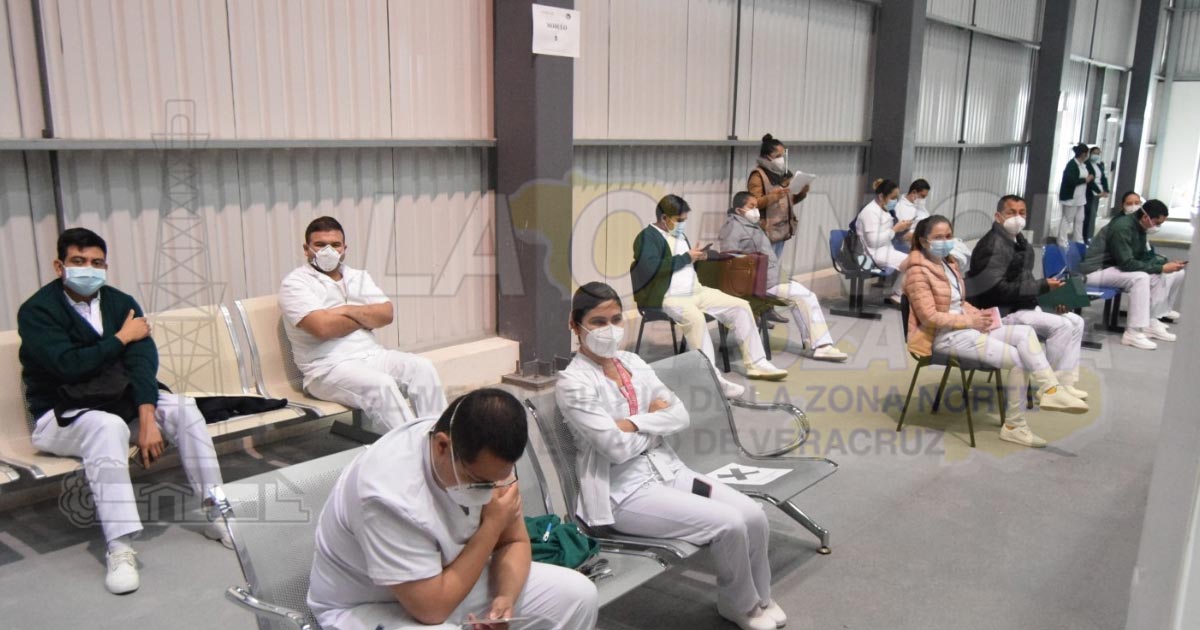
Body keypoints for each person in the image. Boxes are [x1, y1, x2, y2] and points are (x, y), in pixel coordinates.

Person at [557, 282, 784, 630]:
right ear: (575, 325)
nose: (609, 329)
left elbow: (679, 414)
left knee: (754, 515)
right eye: (598, 322)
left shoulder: (632, 362)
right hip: (625, 493)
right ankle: (740, 604)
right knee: (728, 524)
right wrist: (654, 421)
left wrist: (632, 424)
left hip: (669, 471)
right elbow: (615, 448)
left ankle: (761, 597)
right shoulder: (573, 384)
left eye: (615, 319)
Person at [17, 228, 227, 595]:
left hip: (119, 402)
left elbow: (142, 364)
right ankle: (120, 546)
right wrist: (121, 338)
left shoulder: (120, 303)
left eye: (97, 263)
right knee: (107, 427)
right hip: (60, 415)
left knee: (183, 408)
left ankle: (218, 512)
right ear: (59, 266)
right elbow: (67, 366)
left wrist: (147, 419)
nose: (88, 269)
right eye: (78, 261)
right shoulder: (37, 311)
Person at [307, 388, 599, 630]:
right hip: (370, 605)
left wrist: (504, 599)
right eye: (479, 481)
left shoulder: (487, 458)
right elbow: (432, 610)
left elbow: (514, 541)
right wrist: (491, 526)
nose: (491, 489)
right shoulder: (387, 495)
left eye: (497, 479)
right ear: (442, 447)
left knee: (577, 595)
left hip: (449, 580)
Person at [902, 216, 1088, 448]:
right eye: (938, 237)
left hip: (965, 328)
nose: (945, 241)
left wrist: (980, 316)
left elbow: (958, 303)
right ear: (923, 241)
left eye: (948, 236)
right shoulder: (917, 272)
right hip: (942, 337)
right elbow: (929, 317)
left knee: (1024, 334)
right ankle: (1014, 426)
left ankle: (1050, 389)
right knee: (1019, 360)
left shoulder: (948, 264)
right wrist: (970, 320)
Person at [278, 216, 446, 432]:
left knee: (422, 368)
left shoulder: (358, 277)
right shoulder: (295, 284)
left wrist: (346, 310)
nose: (328, 251)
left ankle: (440, 438)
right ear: (306, 249)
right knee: (381, 385)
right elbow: (323, 328)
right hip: (327, 368)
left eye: (335, 245)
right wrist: (365, 317)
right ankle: (411, 446)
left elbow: (386, 314)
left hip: (373, 355)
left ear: (344, 248)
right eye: (320, 245)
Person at [630, 194, 788, 398]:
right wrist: (686, 257)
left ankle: (757, 363)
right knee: (696, 320)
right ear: (664, 218)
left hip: (696, 291)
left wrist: (700, 257)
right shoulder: (646, 238)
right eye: (679, 220)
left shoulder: (678, 235)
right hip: (669, 297)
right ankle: (711, 378)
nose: (683, 224)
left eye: (685, 220)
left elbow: (683, 262)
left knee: (740, 306)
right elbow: (649, 268)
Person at [965, 195, 1089, 400]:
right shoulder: (991, 246)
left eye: (1022, 213)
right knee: (1062, 326)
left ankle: (1065, 382)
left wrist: (1051, 298)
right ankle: (1050, 387)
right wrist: (1042, 286)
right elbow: (997, 291)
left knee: (1076, 322)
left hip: (1021, 305)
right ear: (998, 216)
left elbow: (1024, 283)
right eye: (1011, 212)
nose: (1018, 217)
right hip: (1001, 311)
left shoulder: (1019, 242)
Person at [719, 191, 848, 361]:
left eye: (756, 206)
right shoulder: (733, 227)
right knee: (805, 297)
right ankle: (822, 346)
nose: (756, 210)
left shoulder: (750, 225)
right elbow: (729, 258)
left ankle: (812, 341)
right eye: (751, 206)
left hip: (770, 277)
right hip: (759, 282)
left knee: (802, 299)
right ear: (738, 210)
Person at [1081, 199, 1187, 350]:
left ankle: (1150, 321)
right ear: (1145, 217)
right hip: (1096, 271)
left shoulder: (1139, 227)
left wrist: (1164, 265)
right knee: (1140, 278)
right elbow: (1127, 263)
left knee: (1159, 275)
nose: (1157, 227)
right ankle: (1133, 333)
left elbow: (1141, 257)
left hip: (1113, 268)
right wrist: (1161, 268)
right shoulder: (1122, 228)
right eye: (1157, 223)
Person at [747, 133, 810, 260]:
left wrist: (802, 192)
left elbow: (789, 201)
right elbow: (753, 204)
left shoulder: (784, 174)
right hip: (765, 231)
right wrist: (774, 196)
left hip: (781, 229)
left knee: (774, 264)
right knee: (765, 266)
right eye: (778, 156)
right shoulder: (758, 176)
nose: (781, 159)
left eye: (782, 156)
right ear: (767, 157)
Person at [855, 178, 911, 305]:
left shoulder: (883, 210)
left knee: (915, 260)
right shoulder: (870, 212)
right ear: (881, 196)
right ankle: (898, 294)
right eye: (893, 198)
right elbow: (872, 242)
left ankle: (899, 293)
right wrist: (895, 229)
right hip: (870, 254)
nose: (895, 201)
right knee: (912, 262)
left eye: (897, 198)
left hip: (884, 250)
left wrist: (901, 227)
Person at [1057, 143, 1094, 244]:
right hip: (1071, 197)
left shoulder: (1083, 165)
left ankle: (1078, 240)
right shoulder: (1072, 165)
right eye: (1087, 153)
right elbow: (1071, 180)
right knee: (1067, 219)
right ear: (1083, 154)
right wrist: (1085, 180)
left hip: (1080, 198)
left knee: (1080, 219)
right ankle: (1062, 241)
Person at [892, 179, 932, 247]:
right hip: (911, 246)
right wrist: (923, 239)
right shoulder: (900, 208)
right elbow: (903, 236)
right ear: (914, 192)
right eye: (923, 196)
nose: (924, 199)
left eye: (925, 197)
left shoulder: (919, 205)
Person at [1083, 146, 1110, 243]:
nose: (1096, 155)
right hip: (1090, 192)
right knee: (1088, 215)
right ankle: (1085, 237)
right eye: (1094, 153)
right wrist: (1099, 191)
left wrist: (1106, 190)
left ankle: (1090, 236)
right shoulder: (1086, 165)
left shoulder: (1099, 166)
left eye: (1098, 154)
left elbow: (1104, 178)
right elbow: (1090, 181)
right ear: (1090, 153)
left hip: (1098, 193)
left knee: (1093, 215)